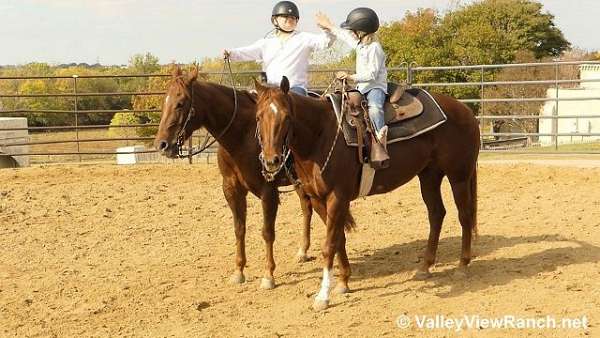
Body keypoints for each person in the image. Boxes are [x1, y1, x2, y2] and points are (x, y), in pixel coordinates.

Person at [224, 1, 334, 96]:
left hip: (295, 89)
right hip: (271, 88)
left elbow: (325, 42)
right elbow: (247, 52)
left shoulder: (304, 38)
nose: (289, 19)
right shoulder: (266, 43)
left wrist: (327, 28)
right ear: (275, 20)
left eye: (293, 18)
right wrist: (230, 54)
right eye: (285, 17)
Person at [316, 8, 389, 142]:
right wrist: (329, 26)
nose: (351, 34)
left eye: (353, 31)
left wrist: (350, 77)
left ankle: (380, 136)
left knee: (374, 108)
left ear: (361, 31)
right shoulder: (360, 45)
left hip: (375, 87)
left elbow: (372, 74)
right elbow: (344, 36)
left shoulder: (375, 48)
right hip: (361, 87)